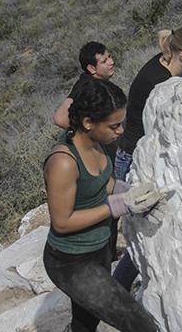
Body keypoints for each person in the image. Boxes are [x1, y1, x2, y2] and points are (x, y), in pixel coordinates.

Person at [43, 78, 164, 332]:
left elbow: (103, 184)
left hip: (99, 249)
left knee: (86, 319)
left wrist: (129, 192)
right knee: (140, 324)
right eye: (114, 125)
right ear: (88, 123)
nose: (120, 131)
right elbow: (62, 222)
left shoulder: (98, 144)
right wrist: (117, 206)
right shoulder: (63, 162)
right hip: (71, 261)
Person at [112, 20, 182, 291]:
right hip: (134, 159)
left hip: (138, 152)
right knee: (150, 230)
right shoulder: (160, 82)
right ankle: (118, 289)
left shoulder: (168, 66)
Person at [54, 41, 115, 129]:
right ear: (92, 68)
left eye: (109, 57)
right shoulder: (87, 86)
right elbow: (60, 119)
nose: (111, 62)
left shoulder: (96, 82)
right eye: (104, 61)